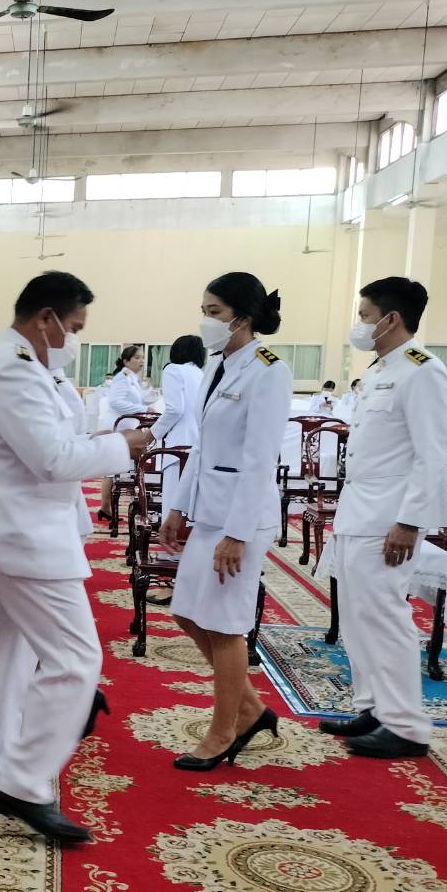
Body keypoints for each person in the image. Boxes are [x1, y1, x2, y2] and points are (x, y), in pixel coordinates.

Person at [0, 272, 150, 844]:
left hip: (9, 533)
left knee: (5, 656)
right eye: (72, 327)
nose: (73, 338)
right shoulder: (14, 372)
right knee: (75, 661)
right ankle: (24, 780)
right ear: (44, 319)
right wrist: (123, 447)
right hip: (26, 541)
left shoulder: (23, 366)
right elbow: (52, 457)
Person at [158, 272, 291, 771]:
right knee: (187, 612)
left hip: (242, 518)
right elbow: (205, 447)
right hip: (209, 511)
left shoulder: (268, 369)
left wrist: (237, 533)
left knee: (225, 624)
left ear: (243, 318)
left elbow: (259, 460)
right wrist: (176, 506)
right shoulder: (220, 365)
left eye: (214, 311)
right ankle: (252, 708)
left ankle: (223, 731)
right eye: (205, 309)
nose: (206, 320)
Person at [319, 278, 447, 759]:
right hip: (359, 512)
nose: (360, 324)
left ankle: (407, 726)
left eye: (365, 314)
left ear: (390, 318)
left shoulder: (423, 371)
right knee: (356, 617)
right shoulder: (381, 370)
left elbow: (431, 454)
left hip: (389, 520)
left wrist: (411, 522)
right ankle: (374, 707)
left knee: (387, 618)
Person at [151, 335, 206, 507]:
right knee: (191, 506)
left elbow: (175, 409)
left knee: (173, 504)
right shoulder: (201, 373)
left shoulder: (173, 369)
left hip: (179, 444)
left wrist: (151, 434)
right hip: (199, 443)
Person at [99, 345, 148, 520]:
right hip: (118, 427)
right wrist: (143, 408)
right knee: (112, 466)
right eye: (137, 358)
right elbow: (115, 402)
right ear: (126, 361)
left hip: (128, 428)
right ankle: (106, 506)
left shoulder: (132, 378)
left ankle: (107, 506)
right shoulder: (123, 377)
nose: (141, 361)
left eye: (142, 357)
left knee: (119, 464)